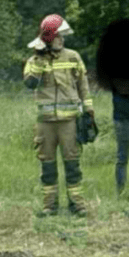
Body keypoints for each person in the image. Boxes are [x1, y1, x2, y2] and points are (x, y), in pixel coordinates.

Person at [23, 14, 94, 216]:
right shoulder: (34, 60)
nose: (62, 40)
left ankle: (77, 205)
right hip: (45, 123)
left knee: (72, 163)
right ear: (48, 38)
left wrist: (89, 110)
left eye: (63, 36)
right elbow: (29, 83)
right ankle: (49, 206)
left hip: (69, 121)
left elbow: (84, 86)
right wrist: (39, 59)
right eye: (58, 36)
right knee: (47, 165)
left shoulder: (73, 57)